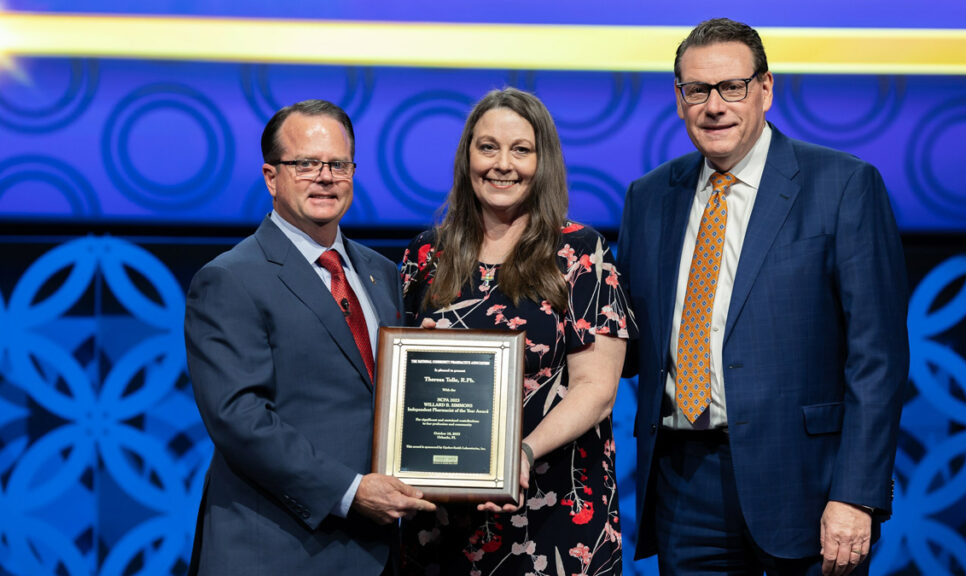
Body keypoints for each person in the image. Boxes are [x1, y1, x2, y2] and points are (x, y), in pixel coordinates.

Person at [618, 18, 909, 576]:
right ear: (679, 100)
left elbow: (878, 360)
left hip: (806, 486)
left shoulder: (844, 185)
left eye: (732, 87)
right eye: (696, 90)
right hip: (684, 486)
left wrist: (857, 495)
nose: (714, 106)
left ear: (765, 89)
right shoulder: (650, 197)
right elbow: (626, 343)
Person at [184, 99, 435, 575]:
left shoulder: (383, 274)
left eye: (338, 164)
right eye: (305, 164)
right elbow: (240, 418)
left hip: (377, 552)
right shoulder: (230, 278)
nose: (325, 176)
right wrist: (350, 492)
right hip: (276, 549)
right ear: (270, 176)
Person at [399, 87, 637, 575]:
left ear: (542, 160)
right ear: (468, 156)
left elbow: (597, 389)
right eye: (488, 147)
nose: (502, 164)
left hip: (557, 515)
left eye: (520, 150)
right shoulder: (425, 256)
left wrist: (521, 453)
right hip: (444, 521)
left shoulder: (580, 253)